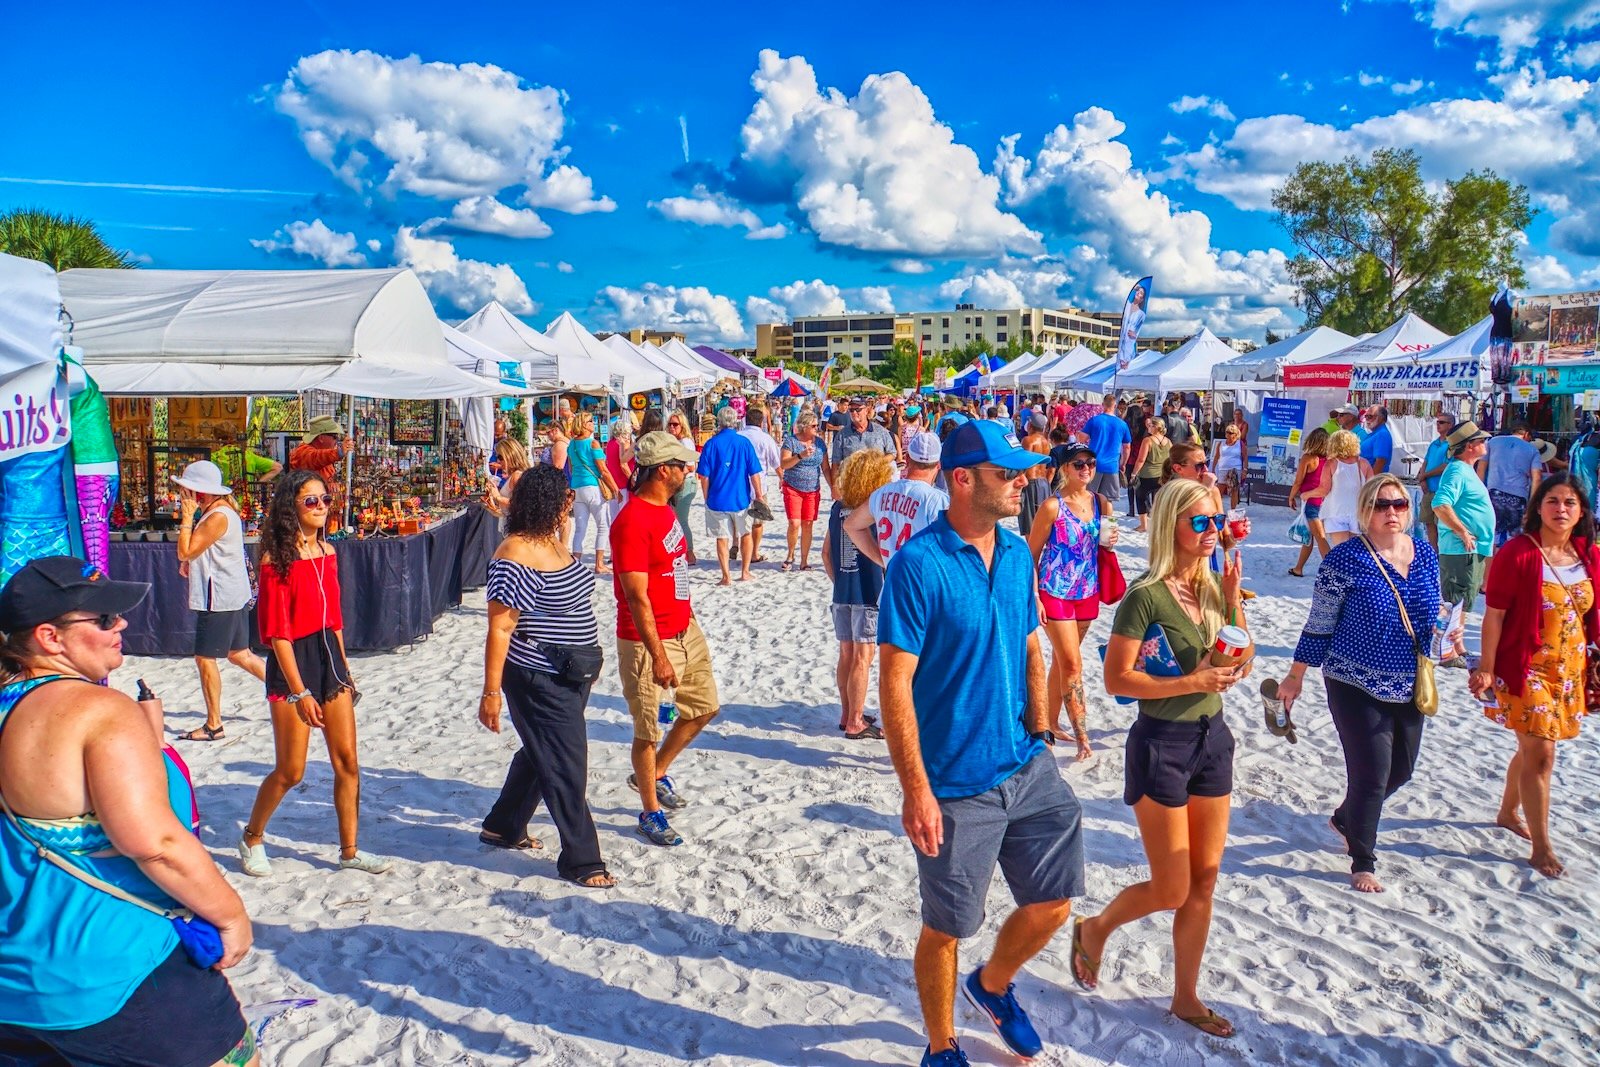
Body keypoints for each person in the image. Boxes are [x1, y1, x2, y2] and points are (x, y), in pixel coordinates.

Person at [878, 419, 1086, 1066]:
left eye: (1022, 471)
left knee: (1054, 901)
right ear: (962, 478)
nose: (1021, 481)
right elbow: (894, 684)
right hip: (955, 782)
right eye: (1007, 473)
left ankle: (992, 985)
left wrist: (1042, 733)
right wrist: (917, 789)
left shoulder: (1020, 552)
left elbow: (1031, 642)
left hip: (1025, 765)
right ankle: (941, 1046)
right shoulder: (919, 564)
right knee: (947, 928)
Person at [0, 557, 259, 1067]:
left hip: (17, 985)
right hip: (113, 973)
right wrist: (231, 917)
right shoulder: (97, 710)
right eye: (102, 619)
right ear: (50, 637)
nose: (121, 624)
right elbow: (155, 844)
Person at [1072, 478, 1248, 1038]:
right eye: (1200, 522)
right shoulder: (1145, 596)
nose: (1211, 531)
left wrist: (1236, 600)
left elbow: (1238, 660)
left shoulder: (1214, 587)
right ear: (1172, 523)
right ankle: (1096, 928)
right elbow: (1116, 677)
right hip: (1161, 745)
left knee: (1204, 883)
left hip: (1212, 740)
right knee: (1172, 887)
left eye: (1215, 521)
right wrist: (1193, 679)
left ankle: (1186, 996)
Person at [1276, 475, 1441, 893]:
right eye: (1383, 505)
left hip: (1408, 679)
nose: (1392, 512)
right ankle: (1362, 860)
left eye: (1400, 505)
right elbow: (1320, 623)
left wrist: (1447, 634)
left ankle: (1346, 818)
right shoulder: (1343, 560)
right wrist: (1295, 677)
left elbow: (1432, 613)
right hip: (1351, 678)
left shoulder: (1424, 553)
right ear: (1365, 510)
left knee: (1401, 770)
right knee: (1371, 773)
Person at [238, 471, 390, 878]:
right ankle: (252, 836)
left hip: (329, 660)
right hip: (293, 666)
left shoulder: (327, 551)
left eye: (325, 499)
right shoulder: (277, 560)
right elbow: (276, 635)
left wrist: (344, 667)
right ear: (292, 508)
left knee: (348, 763)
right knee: (291, 770)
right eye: (311, 501)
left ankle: (350, 850)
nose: (321, 506)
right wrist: (300, 691)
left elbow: (335, 619)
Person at [477, 466, 614, 888]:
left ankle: (503, 826)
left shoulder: (554, 542)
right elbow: (500, 628)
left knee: (544, 751)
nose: (570, 503)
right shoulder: (514, 553)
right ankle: (582, 860)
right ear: (547, 502)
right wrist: (491, 692)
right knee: (568, 764)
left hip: (574, 670)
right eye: (564, 498)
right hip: (537, 675)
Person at [1471, 475, 1598, 879]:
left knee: (1531, 750)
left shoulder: (1588, 555)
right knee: (1542, 754)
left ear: (1581, 512)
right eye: (1553, 501)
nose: (1561, 509)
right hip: (1526, 669)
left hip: (1570, 670)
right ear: (1538, 508)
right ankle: (1542, 847)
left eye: (1570, 503)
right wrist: (1487, 668)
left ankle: (1509, 811)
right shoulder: (1519, 553)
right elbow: (1494, 615)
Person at [611, 433, 721, 847]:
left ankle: (657, 772)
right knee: (647, 730)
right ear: (663, 470)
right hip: (647, 640)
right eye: (681, 465)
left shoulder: (665, 508)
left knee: (704, 708)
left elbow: (671, 572)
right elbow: (636, 596)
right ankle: (649, 811)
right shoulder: (633, 521)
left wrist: (688, 616)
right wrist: (658, 655)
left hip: (683, 627)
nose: (687, 470)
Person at [1027, 442, 1114, 762]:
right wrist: (1034, 596)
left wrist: (1110, 540)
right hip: (1055, 592)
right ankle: (1082, 736)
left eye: (1090, 462)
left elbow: (1104, 546)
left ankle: (1049, 721)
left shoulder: (1102, 503)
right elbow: (1031, 555)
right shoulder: (1052, 506)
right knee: (1073, 664)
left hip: (1087, 592)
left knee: (1063, 663)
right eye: (1079, 464)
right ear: (1064, 469)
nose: (1087, 469)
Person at [173, 460, 267, 742]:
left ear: (199, 492)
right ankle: (292, 690)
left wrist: (186, 518)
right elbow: (202, 553)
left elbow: (185, 551)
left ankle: (214, 724)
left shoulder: (216, 516)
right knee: (240, 654)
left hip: (219, 598)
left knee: (205, 658)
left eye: (186, 490)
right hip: (232, 593)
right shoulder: (221, 511)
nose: (182, 495)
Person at [825, 450, 897, 740]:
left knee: (846, 654)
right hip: (869, 591)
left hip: (841, 591)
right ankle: (855, 720)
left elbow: (826, 554)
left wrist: (840, 580)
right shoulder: (874, 510)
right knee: (863, 658)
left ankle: (847, 713)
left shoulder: (837, 507)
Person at [1430, 421, 1494, 665]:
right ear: (1469, 446)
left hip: (1467, 548)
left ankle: (1457, 647)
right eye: (1481, 440)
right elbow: (1440, 503)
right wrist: (1463, 532)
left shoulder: (1464, 469)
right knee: (1456, 600)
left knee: (1462, 600)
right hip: (1461, 548)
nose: (1484, 443)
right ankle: (1447, 651)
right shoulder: (1458, 471)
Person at [844, 431, 950, 573]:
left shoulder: (881, 493)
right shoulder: (938, 501)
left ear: (907, 458)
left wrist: (882, 560)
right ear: (938, 465)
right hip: (921, 586)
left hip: (892, 583)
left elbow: (851, 525)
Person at [698, 407, 765, 585]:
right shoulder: (743, 443)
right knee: (745, 534)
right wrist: (759, 495)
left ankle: (726, 576)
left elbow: (703, 476)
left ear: (719, 422)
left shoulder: (711, 444)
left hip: (717, 498)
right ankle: (745, 572)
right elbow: (754, 473)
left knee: (722, 537)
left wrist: (706, 495)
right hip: (740, 498)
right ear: (735, 421)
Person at [566, 413, 619, 574]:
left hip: (577, 487)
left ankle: (575, 564)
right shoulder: (593, 443)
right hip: (592, 487)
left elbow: (571, 468)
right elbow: (603, 470)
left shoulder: (572, 445)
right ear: (583, 424)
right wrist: (615, 489)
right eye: (590, 421)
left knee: (580, 528)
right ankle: (599, 564)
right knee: (603, 525)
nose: (593, 424)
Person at [1480, 420, 1543, 549]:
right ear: (1526, 434)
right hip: (1518, 498)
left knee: (1492, 538)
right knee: (1514, 540)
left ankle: (1492, 567)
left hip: (1493, 495)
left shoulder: (1492, 442)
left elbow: (1481, 469)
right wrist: (1533, 504)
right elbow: (1537, 479)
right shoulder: (1533, 450)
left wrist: (1480, 493)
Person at [780, 412, 826, 572]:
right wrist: (800, 456)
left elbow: (825, 468)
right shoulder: (791, 442)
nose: (817, 428)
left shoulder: (820, 443)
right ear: (804, 426)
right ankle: (790, 555)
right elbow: (784, 464)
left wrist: (834, 486)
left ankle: (804, 561)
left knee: (808, 524)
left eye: (817, 425)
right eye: (813, 426)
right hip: (793, 486)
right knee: (794, 523)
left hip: (813, 488)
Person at [824, 397, 898, 493]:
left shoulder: (881, 431)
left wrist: (876, 463)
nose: (854, 413)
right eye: (851, 410)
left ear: (867, 410)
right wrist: (834, 488)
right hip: (852, 487)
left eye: (858, 409)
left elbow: (892, 453)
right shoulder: (842, 434)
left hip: (878, 485)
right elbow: (835, 463)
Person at [1287, 427, 1334, 577]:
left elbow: (1298, 482)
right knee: (1309, 536)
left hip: (1311, 502)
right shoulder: (1330, 460)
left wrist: (1291, 497)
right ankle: (1298, 568)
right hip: (1325, 501)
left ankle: (1332, 571)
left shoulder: (1308, 458)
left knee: (1319, 537)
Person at [740, 407, 783, 564]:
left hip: (739, 485)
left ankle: (738, 547)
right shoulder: (766, 439)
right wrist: (781, 478)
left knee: (740, 520)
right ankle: (754, 554)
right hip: (760, 485)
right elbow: (776, 463)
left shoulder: (739, 436)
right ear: (761, 422)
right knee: (758, 521)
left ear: (746, 420)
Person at [1320, 430, 1370, 547]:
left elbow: (1324, 489)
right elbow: (1372, 489)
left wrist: (1306, 494)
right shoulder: (1364, 463)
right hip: (1357, 512)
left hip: (1335, 511)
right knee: (1354, 550)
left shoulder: (1331, 463)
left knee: (1341, 550)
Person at [1081, 392, 1132, 505]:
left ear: (1103, 404)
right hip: (1112, 465)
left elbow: (1081, 439)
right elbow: (1127, 447)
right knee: (1108, 500)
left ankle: (1091, 519)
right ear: (1115, 406)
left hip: (1094, 464)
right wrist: (1123, 463)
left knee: (1090, 497)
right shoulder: (1122, 424)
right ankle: (1106, 521)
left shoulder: (1094, 420)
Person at [664, 411, 700, 565]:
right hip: (677, 484)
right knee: (675, 519)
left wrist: (675, 474)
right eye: (670, 424)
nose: (672, 427)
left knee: (681, 520)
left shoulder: (685, 442)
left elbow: (691, 466)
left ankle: (690, 553)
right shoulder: (674, 441)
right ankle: (683, 551)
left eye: (675, 424)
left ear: (682, 426)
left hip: (686, 484)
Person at [1417, 414, 1456, 549]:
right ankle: (1434, 553)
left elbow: (1446, 466)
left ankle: (1442, 553)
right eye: (1437, 422)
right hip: (1429, 489)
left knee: (1441, 525)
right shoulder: (1434, 443)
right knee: (1429, 523)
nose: (1438, 424)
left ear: (1450, 425)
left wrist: (1425, 475)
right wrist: (1422, 478)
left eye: (1442, 422)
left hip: (1441, 490)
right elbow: (1426, 461)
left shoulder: (1452, 444)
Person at [288, 414, 354, 489]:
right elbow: (316, 458)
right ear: (321, 438)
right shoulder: (303, 452)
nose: (337, 440)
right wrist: (339, 452)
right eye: (334, 436)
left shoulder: (322, 453)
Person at [1131, 416, 1171, 529]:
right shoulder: (1168, 441)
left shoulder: (1148, 440)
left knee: (1140, 497)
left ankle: (1143, 525)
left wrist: (1134, 474)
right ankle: (1161, 523)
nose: (1148, 427)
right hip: (1162, 475)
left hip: (1147, 475)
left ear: (1155, 427)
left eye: (1150, 425)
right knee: (1160, 500)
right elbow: (1170, 459)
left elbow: (1141, 460)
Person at [1017, 414, 1052, 537]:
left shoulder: (1028, 440)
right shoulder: (1046, 442)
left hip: (1030, 481)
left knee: (1029, 522)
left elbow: (1023, 463)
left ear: (1030, 425)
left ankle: (1032, 552)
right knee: (1042, 521)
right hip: (1043, 482)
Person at [484, 437, 532, 518]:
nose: (498, 461)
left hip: (515, 527)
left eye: (500, 457)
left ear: (510, 456)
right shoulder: (516, 474)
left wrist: (498, 497)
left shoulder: (517, 475)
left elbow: (522, 504)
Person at [603, 417, 635, 520]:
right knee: (625, 517)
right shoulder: (624, 444)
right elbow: (624, 465)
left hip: (613, 485)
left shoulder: (610, 444)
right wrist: (633, 480)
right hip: (624, 484)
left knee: (614, 519)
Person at [1210, 423, 1247, 511]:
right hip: (1222, 468)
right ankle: (1216, 509)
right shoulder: (1221, 444)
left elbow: (1245, 457)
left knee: (1234, 490)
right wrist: (1213, 469)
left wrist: (1244, 470)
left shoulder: (1240, 444)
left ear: (1235, 434)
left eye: (1230, 432)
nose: (1228, 434)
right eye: (1227, 432)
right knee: (1219, 489)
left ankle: (1233, 510)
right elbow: (1216, 457)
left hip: (1235, 468)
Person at [1360, 406, 1395, 476]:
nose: (1367, 419)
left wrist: (1371, 482)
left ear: (1381, 418)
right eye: (1366, 416)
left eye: (1370, 416)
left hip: (1373, 481)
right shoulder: (1374, 434)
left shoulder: (1382, 434)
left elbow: (1380, 462)